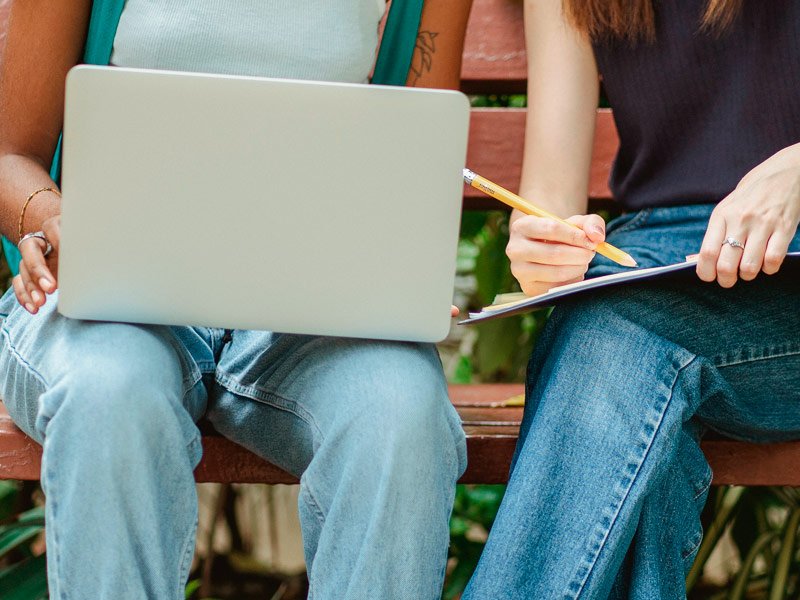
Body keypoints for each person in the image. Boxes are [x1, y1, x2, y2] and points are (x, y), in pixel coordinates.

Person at [0, 1, 472, 598]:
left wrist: (404, 270)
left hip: (310, 320)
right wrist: (53, 218)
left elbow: (416, 164)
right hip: (117, 303)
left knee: (399, 412)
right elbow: (10, 155)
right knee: (109, 391)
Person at [463, 0, 800, 598]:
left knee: (612, 335)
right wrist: (542, 252)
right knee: (642, 432)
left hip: (779, 280)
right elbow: (550, 200)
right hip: (650, 272)